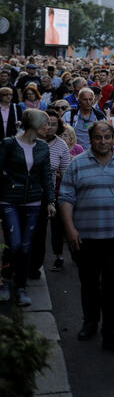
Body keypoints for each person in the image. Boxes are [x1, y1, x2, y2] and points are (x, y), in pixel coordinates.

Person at [58, 120, 114, 347]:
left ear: (113, 138)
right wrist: (70, 230)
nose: (103, 142)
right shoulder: (77, 164)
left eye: (107, 137)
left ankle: (113, 330)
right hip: (86, 237)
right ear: (90, 139)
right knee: (89, 282)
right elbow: (65, 197)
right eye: (98, 138)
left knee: (113, 283)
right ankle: (90, 322)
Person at [0, 109, 54, 306]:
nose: (49, 128)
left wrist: (51, 201)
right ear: (35, 125)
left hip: (33, 201)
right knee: (13, 244)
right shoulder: (9, 144)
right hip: (10, 200)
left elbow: (46, 175)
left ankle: (20, 287)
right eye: (46, 124)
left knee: (25, 246)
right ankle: (5, 281)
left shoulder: (42, 147)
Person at [33, 109, 72, 275]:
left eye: (54, 124)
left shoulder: (61, 145)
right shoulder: (31, 140)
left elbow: (66, 174)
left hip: (53, 193)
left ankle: (38, 264)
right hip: (29, 192)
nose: (49, 127)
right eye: (46, 123)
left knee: (48, 229)